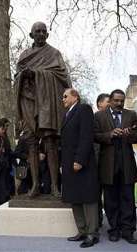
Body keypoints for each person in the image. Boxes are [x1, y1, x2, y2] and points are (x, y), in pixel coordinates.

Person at [14, 21, 71, 197]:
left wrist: (37, 74)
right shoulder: (24, 55)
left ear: (47, 34)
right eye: (37, 31)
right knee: (31, 142)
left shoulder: (54, 53)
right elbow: (16, 78)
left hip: (47, 102)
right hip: (29, 100)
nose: (40, 33)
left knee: (50, 143)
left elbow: (64, 78)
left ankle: (54, 186)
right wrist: (24, 75)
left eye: (43, 31)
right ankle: (35, 185)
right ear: (31, 35)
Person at [94, 89, 137, 244]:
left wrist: (130, 134)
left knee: (128, 198)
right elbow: (95, 136)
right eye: (116, 101)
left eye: (122, 101)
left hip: (127, 163)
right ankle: (114, 229)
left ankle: (128, 231)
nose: (119, 103)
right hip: (107, 164)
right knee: (111, 200)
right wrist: (110, 134)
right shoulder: (99, 116)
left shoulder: (131, 115)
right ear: (111, 101)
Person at [61, 88, 99, 248]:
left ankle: (92, 233)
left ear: (75, 97)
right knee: (74, 198)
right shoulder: (67, 114)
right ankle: (82, 230)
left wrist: (79, 160)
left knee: (87, 198)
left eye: (65, 96)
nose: (62, 99)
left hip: (82, 163)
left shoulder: (83, 109)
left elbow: (86, 136)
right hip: (69, 164)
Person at [94, 93, 110, 227]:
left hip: (109, 163)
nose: (110, 104)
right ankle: (97, 220)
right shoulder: (93, 119)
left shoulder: (114, 119)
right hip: (96, 163)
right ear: (99, 104)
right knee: (96, 195)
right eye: (107, 102)